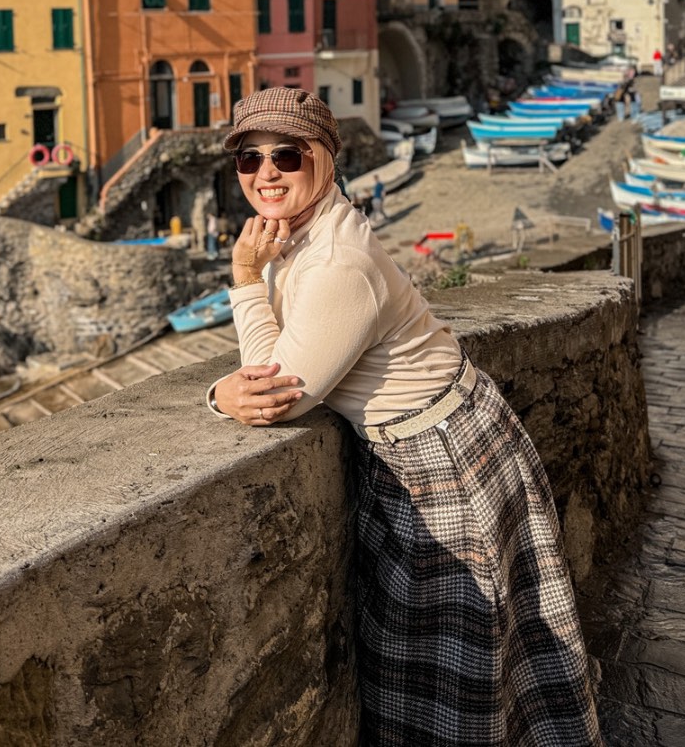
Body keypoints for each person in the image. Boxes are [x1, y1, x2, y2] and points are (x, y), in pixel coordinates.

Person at [207, 87, 602, 746]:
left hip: (442, 458)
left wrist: (243, 281)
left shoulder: (337, 261)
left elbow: (277, 394)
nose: (265, 172)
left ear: (325, 160)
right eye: (249, 159)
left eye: (287, 154)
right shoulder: (309, 233)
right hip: (445, 439)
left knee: (459, 668)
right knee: (492, 652)